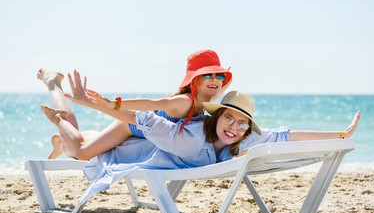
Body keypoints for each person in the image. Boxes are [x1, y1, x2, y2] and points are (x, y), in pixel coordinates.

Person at [40, 90, 360, 203]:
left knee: (81, 143)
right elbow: (144, 117)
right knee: (80, 147)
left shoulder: (248, 137)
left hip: (149, 143)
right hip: (128, 150)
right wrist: (100, 104)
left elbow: (287, 136)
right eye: (229, 119)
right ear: (217, 117)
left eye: (242, 122)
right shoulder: (188, 136)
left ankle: (61, 134)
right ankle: (57, 103)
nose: (234, 128)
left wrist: (340, 135)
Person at [37, 49, 232, 159]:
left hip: (142, 129)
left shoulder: (208, 98)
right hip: (129, 124)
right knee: (82, 151)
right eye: (207, 75)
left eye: (219, 75)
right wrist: (112, 103)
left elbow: (221, 87)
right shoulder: (184, 102)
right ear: (194, 80)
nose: (215, 79)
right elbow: (151, 103)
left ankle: (60, 142)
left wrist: (222, 80)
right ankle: (53, 84)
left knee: (84, 141)